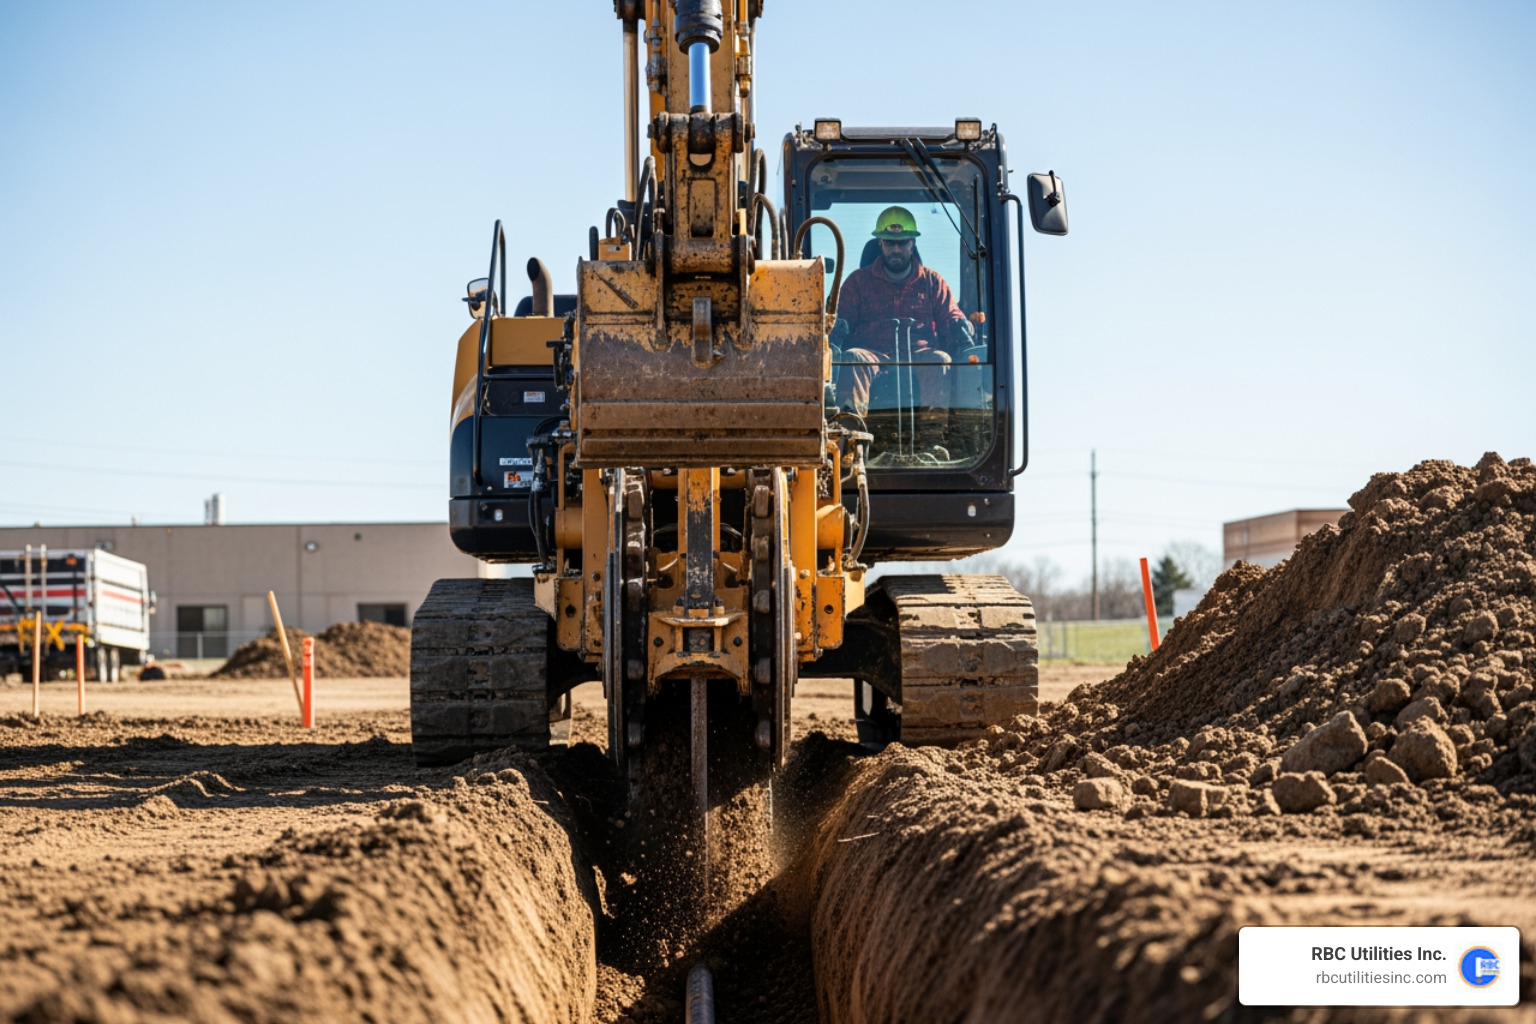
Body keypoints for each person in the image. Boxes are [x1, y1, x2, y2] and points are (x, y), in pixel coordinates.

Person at [831, 206, 975, 426]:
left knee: (940, 360)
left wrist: (961, 326)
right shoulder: (857, 282)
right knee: (853, 357)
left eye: (902, 243)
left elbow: (951, 315)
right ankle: (850, 431)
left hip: (919, 355)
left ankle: (933, 433)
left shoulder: (933, 282)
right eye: (890, 243)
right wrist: (835, 330)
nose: (896, 249)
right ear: (880, 243)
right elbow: (840, 318)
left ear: (913, 243)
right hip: (873, 354)